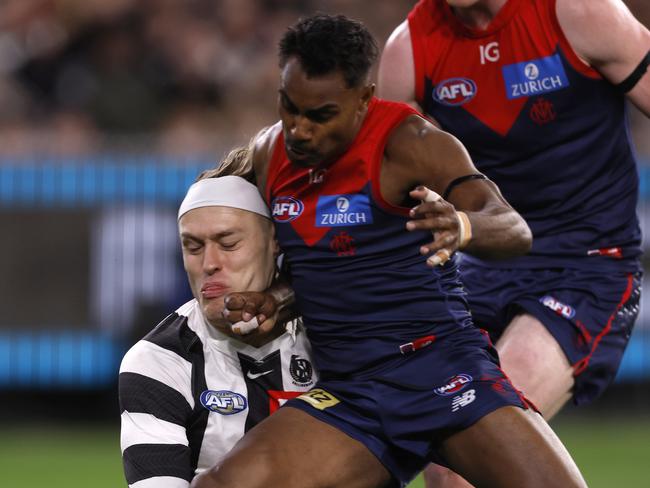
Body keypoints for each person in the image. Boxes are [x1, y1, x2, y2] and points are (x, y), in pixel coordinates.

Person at [191, 14, 586, 488]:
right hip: (352, 393)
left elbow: (512, 228)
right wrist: (274, 299)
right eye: (289, 107)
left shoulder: (412, 144)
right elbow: (314, 270)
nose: (300, 130)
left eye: (321, 115)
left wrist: (463, 225)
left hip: (443, 370)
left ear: (364, 99)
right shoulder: (268, 154)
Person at [378, 0, 649, 485]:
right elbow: (383, 188)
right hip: (478, 264)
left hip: (587, 265)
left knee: (478, 431)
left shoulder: (579, 13)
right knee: (446, 467)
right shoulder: (410, 53)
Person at [119, 162, 317, 488]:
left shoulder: (333, 333)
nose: (210, 264)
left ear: (275, 241)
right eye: (193, 247)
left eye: (228, 243)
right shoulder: (159, 361)